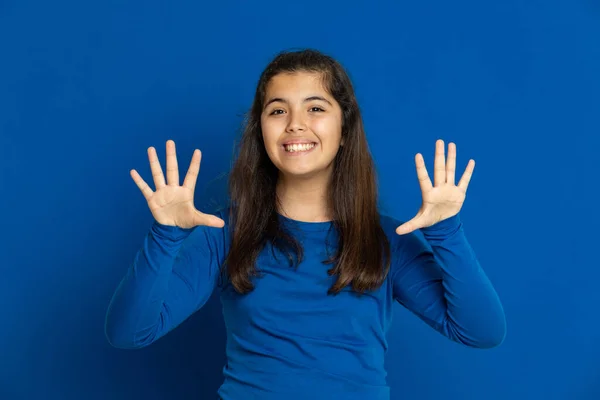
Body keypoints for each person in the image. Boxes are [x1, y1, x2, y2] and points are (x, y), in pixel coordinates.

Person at [104, 48, 506, 400]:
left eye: (315, 107)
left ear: (345, 129)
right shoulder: (224, 234)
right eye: (278, 110)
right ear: (260, 131)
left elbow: (481, 330)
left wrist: (447, 232)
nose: (295, 123)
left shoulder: (385, 240)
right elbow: (129, 333)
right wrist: (166, 235)